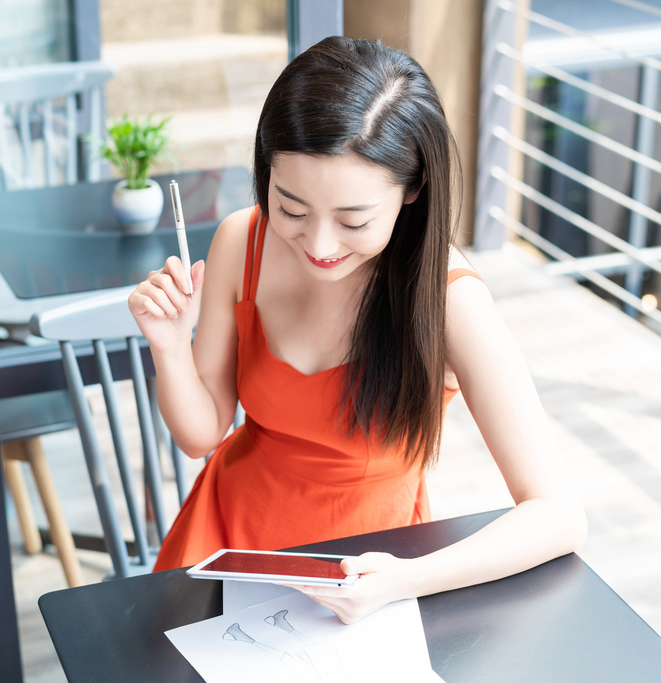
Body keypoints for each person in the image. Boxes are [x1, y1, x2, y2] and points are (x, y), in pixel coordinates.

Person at [128, 36, 586, 624]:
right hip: (229, 538)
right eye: (291, 208)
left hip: (372, 566)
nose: (318, 245)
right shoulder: (242, 240)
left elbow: (557, 514)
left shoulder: (451, 303)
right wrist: (169, 345)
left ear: (412, 190)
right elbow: (200, 436)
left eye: (354, 219)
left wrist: (406, 579)